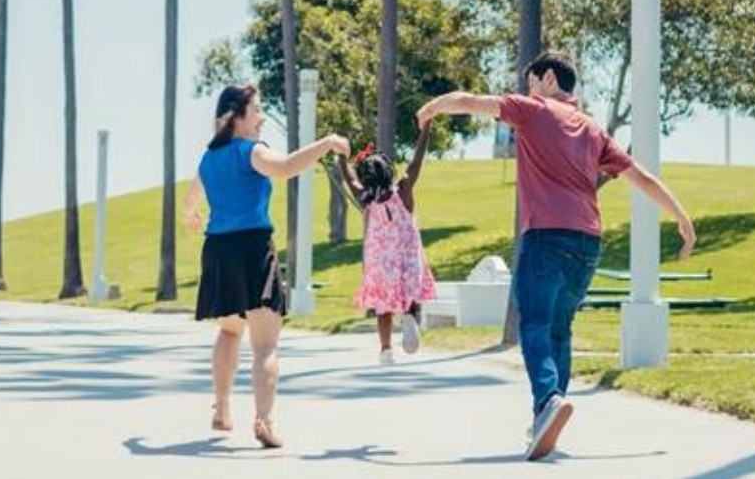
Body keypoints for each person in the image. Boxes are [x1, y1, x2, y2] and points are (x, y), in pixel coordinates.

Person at [416, 51, 696, 462]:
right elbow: (643, 177)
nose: (527, 90)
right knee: (560, 329)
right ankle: (547, 415)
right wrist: (682, 218)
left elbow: (470, 100)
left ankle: (548, 399)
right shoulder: (594, 129)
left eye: (530, 82)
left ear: (547, 79)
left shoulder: (534, 110)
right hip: (587, 244)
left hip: (545, 234)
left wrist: (432, 108)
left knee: (535, 323)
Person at [184, 84, 350, 449]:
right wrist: (328, 143)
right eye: (256, 110)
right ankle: (264, 420)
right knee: (265, 345)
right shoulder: (250, 152)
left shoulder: (209, 159)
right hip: (252, 248)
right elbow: (287, 167)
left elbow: (191, 201)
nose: (261, 118)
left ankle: (222, 408)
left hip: (218, 250)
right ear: (238, 117)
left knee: (230, 332)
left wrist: (191, 215)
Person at [338, 122, 437, 366]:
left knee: (383, 306)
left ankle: (385, 351)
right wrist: (425, 130)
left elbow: (348, 178)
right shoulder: (403, 190)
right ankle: (411, 315)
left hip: (379, 261)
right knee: (410, 291)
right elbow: (416, 162)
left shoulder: (366, 199)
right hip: (406, 256)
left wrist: (341, 155)